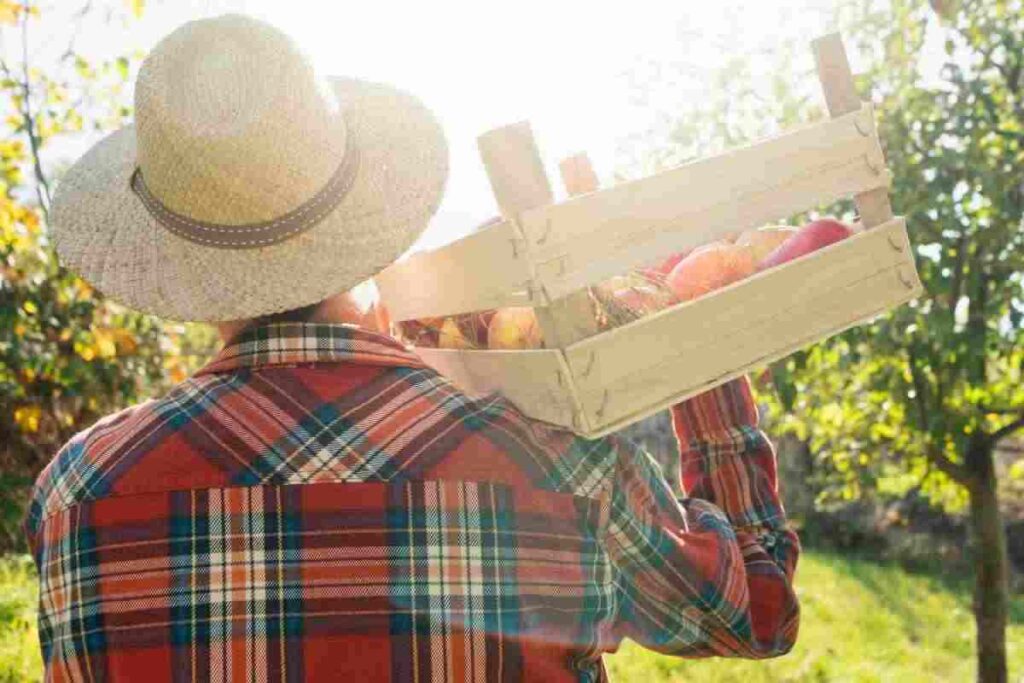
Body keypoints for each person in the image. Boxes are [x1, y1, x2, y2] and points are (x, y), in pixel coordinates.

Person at [25, 14, 799, 682]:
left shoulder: (78, 498)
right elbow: (757, 613)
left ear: (174, 255)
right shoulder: (560, 467)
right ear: (360, 218)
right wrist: (708, 354)